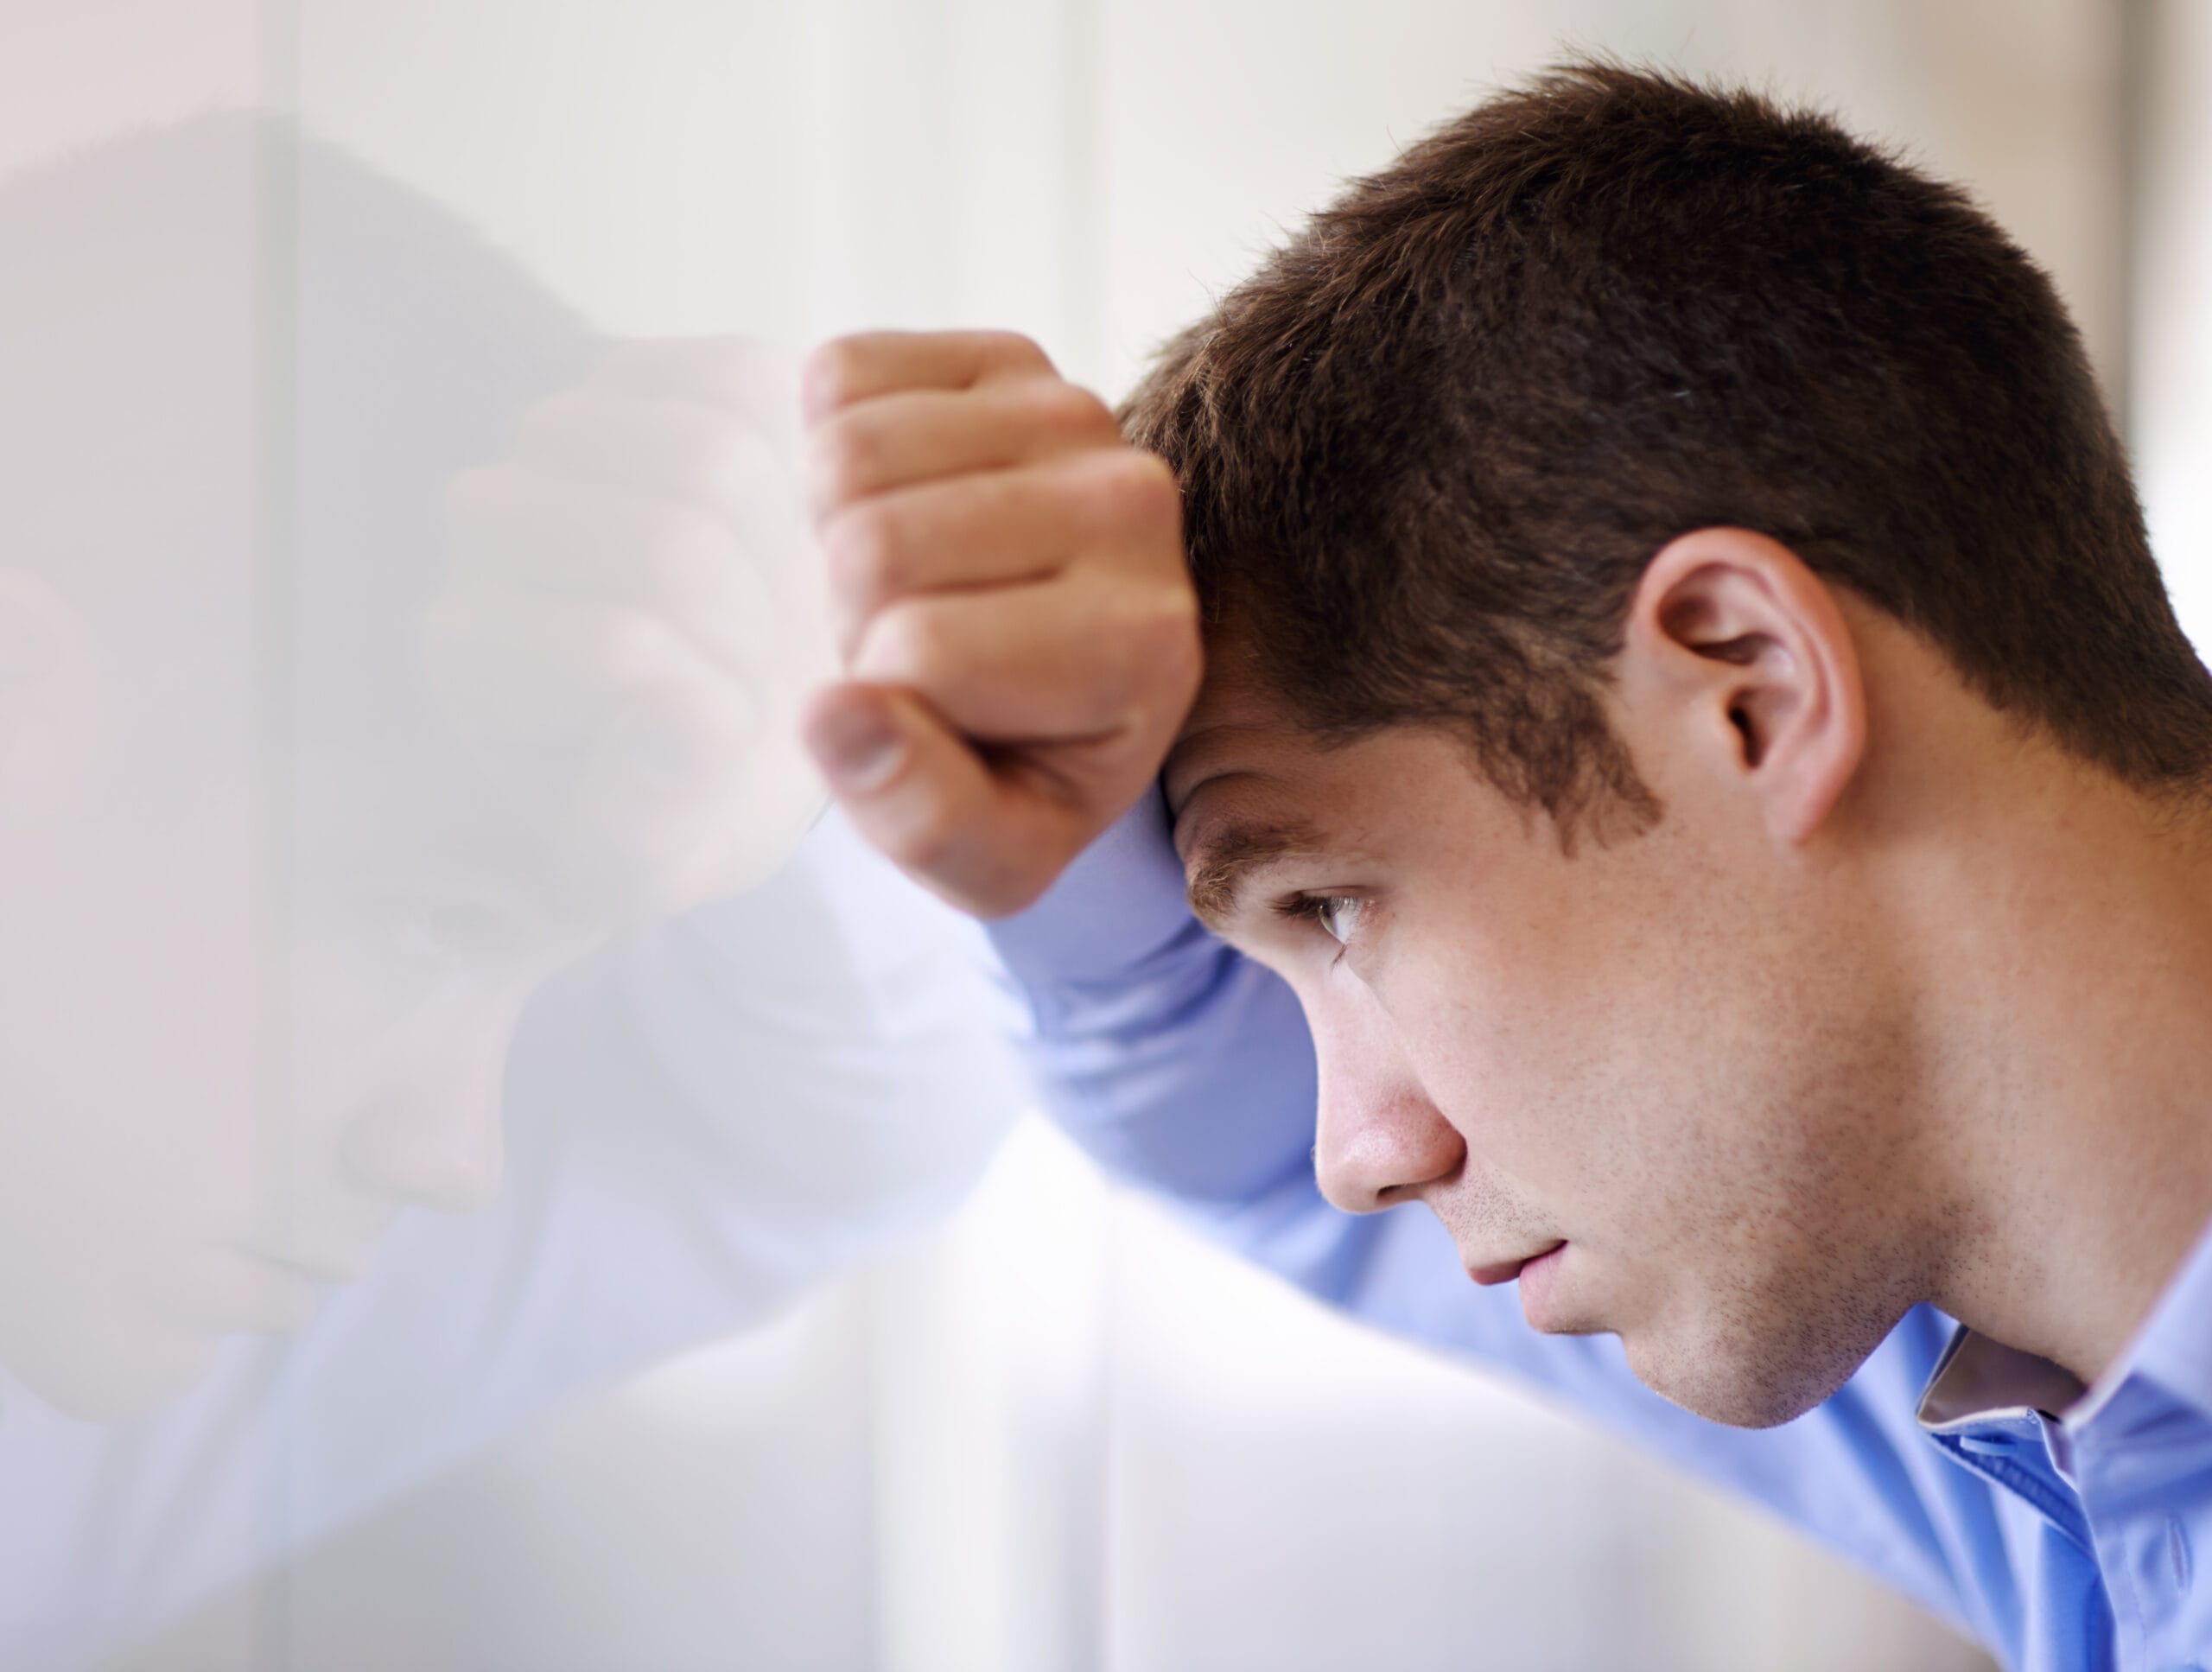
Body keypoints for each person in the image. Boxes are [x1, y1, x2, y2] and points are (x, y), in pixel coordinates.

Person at [800, 61, 2212, 1672]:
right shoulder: (2074, 1427)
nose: (1360, 1157)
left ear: (1749, 691)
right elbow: (1236, 1143)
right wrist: (1058, 825)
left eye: (1334, 908)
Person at [0, 118, 1020, 1669]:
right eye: (430, 923)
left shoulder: (159, 1341)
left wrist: (802, 769)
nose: (453, 1156)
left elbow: (871, 1141)